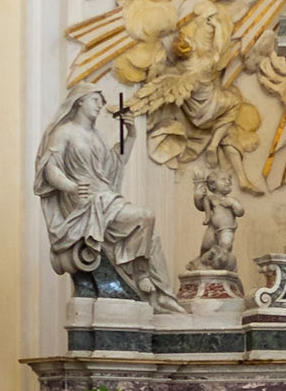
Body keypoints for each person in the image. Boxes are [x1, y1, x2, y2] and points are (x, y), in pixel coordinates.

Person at [33, 86, 182, 309]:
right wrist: (71, 186)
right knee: (145, 217)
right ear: (79, 101)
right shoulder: (64, 132)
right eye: (95, 100)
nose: (99, 105)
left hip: (105, 196)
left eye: (101, 101)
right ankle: (142, 274)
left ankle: (164, 298)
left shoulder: (95, 136)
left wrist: (131, 135)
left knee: (151, 239)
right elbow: (50, 168)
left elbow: (112, 165)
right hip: (86, 200)